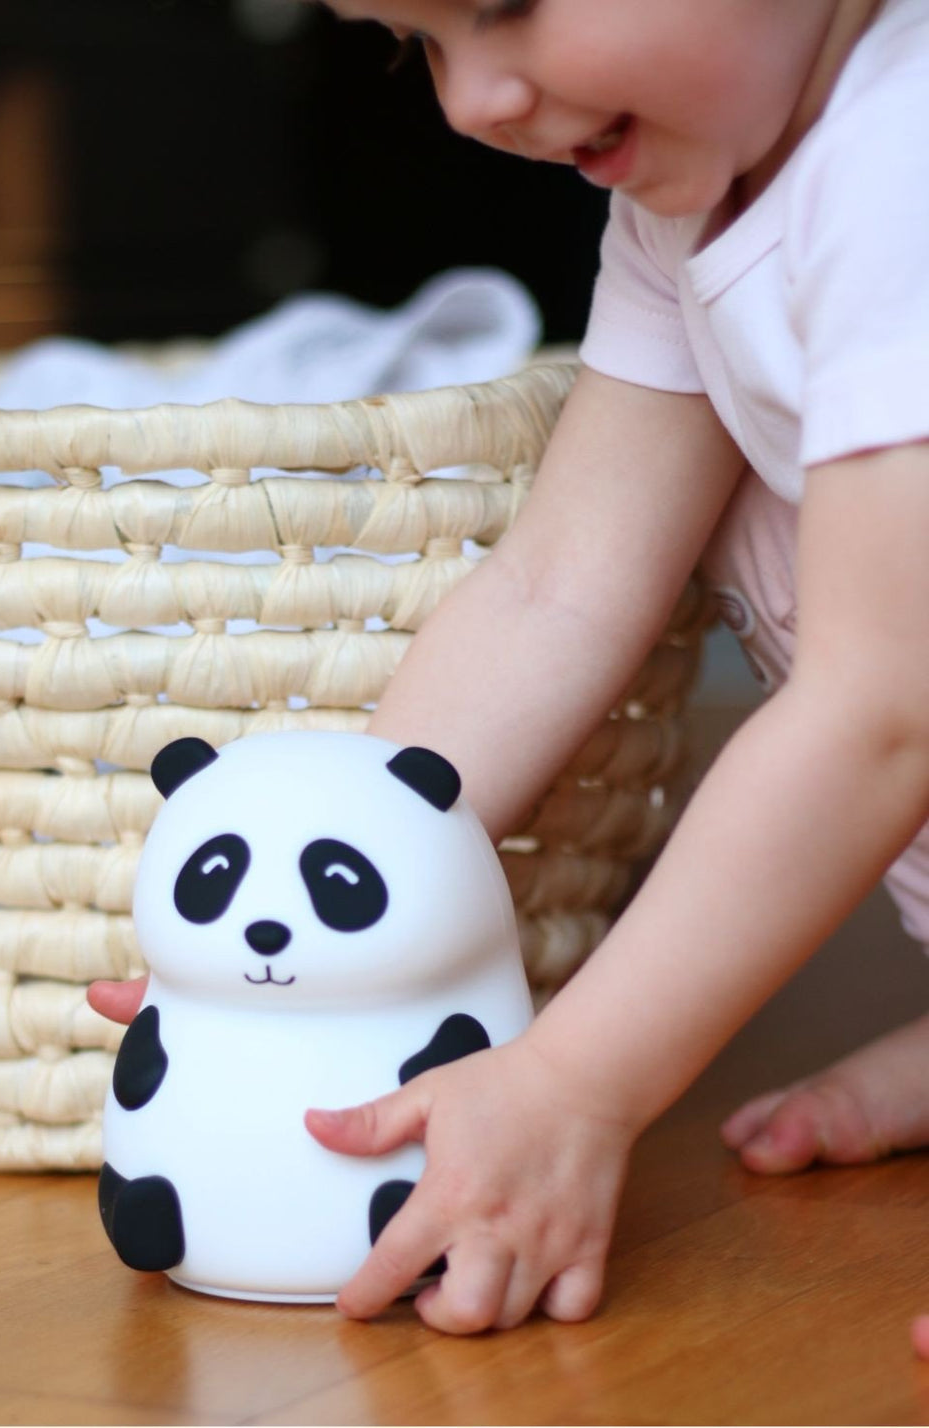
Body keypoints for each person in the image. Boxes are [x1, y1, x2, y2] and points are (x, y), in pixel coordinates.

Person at [89, 0, 929, 1338]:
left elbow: (886, 713)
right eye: (416, 42)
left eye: (505, 6)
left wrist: (576, 1085)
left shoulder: (904, 167)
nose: (471, 100)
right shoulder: (687, 202)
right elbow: (558, 589)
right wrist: (323, 921)